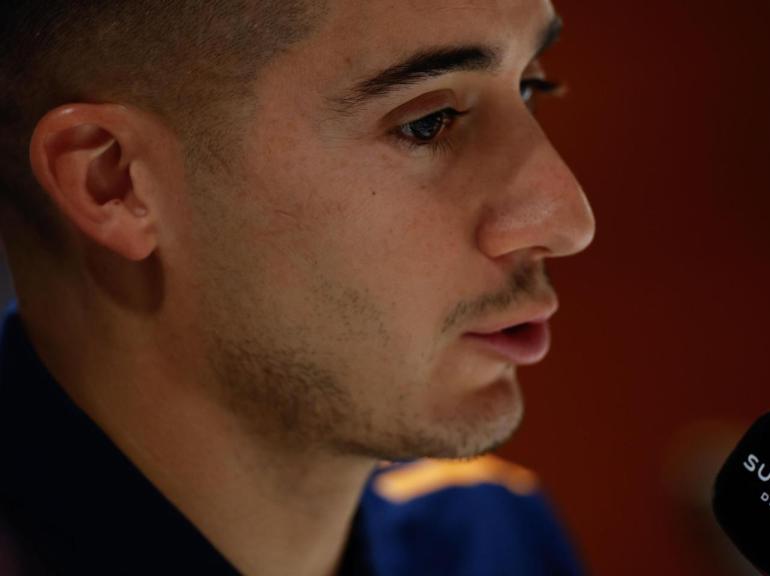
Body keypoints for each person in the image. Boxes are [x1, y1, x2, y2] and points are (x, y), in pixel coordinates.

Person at [0, 0, 595, 574]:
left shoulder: (488, 536)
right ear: (113, 182)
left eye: (529, 88)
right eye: (427, 123)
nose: (570, 221)